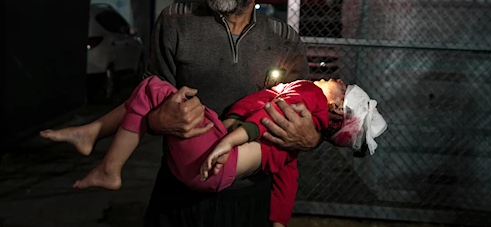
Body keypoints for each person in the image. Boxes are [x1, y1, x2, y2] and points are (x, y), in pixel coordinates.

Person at [43, 0, 321, 227]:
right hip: (177, 196)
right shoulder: (176, 22)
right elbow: (144, 104)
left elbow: (308, 116)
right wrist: (159, 120)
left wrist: (310, 138)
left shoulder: (285, 41)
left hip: (249, 198)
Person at [52, 75, 386, 227]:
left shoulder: (309, 94)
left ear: (338, 110)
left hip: (210, 156)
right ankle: (94, 135)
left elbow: (263, 119)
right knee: (154, 95)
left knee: (152, 87)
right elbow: (288, 184)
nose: (338, 80)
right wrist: (279, 222)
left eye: (344, 88)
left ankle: (107, 161)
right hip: (207, 174)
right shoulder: (292, 146)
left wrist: (228, 139)